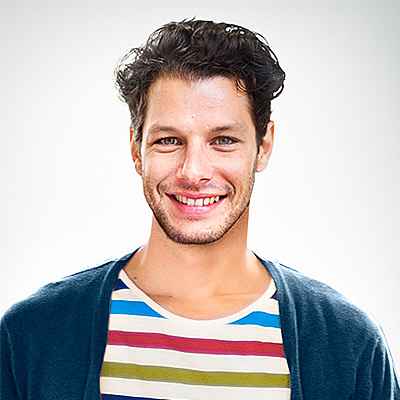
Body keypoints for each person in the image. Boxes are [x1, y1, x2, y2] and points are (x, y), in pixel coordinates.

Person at [0, 18, 398, 400]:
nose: (193, 172)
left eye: (223, 140)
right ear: (136, 149)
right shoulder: (31, 335)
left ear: (264, 146)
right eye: (169, 141)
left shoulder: (348, 344)